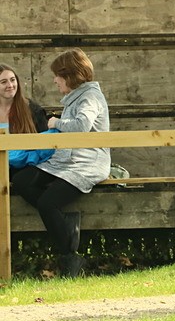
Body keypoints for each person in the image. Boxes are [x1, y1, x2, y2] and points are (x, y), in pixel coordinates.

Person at [11, 49, 111, 277]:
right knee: (22, 180)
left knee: (47, 203)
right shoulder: (76, 96)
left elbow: (81, 126)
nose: (55, 80)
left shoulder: (90, 97)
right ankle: (67, 225)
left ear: (70, 75)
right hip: (64, 160)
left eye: (58, 75)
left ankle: (70, 258)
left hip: (86, 163)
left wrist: (56, 121)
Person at [0, 63, 55, 170]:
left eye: (12, 80)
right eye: (3, 82)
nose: (10, 85)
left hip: (27, 166)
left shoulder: (32, 109)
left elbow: (46, 144)